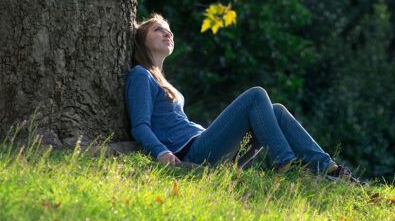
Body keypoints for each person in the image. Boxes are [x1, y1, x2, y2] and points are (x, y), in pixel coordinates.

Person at [125, 13, 358, 182]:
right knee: (256, 95)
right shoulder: (140, 75)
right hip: (193, 153)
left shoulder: (163, 81)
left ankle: (330, 168)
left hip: (209, 147)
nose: (168, 32)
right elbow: (140, 126)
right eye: (158, 29)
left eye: (169, 29)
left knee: (275, 110)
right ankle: (285, 161)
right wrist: (161, 151)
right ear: (141, 40)